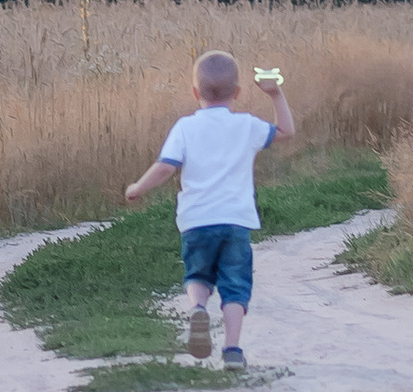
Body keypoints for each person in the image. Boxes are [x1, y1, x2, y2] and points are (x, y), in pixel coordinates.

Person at [123, 50, 298, 369]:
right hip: (235, 222)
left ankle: (198, 309)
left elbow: (166, 167)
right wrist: (275, 93)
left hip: (196, 220)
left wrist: (138, 187)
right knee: (235, 286)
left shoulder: (185, 127)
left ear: (195, 92)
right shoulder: (246, 125)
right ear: (238, 92)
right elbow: (286, 132)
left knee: (197, 275)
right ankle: (232, 350)